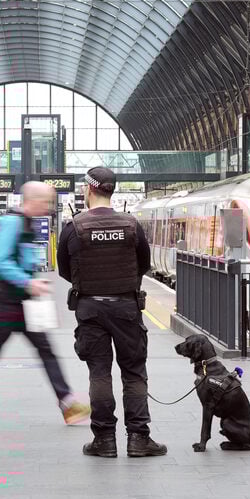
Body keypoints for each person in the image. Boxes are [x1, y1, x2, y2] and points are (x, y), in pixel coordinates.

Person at [0, 181, 90, 426]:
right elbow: (0, 261)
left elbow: (19, 259)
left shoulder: (26, 223)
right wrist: (28, 283)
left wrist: (34, 280)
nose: (49, 208)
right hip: (10, 302)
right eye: (46, 202)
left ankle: (67, 403)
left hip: (23, 302)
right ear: (33, 200)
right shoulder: (12, 222)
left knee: (40, 351)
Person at [57, 166, 166, 458]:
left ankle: (104, 440)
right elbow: (144, 263)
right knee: (133, 373)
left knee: (99, 373)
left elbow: (65, 270)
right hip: (127, 308)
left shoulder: (74, 227)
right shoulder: (131, 225)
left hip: (90, 309)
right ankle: (139, 439)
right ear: (111, 190)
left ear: (88, 189)